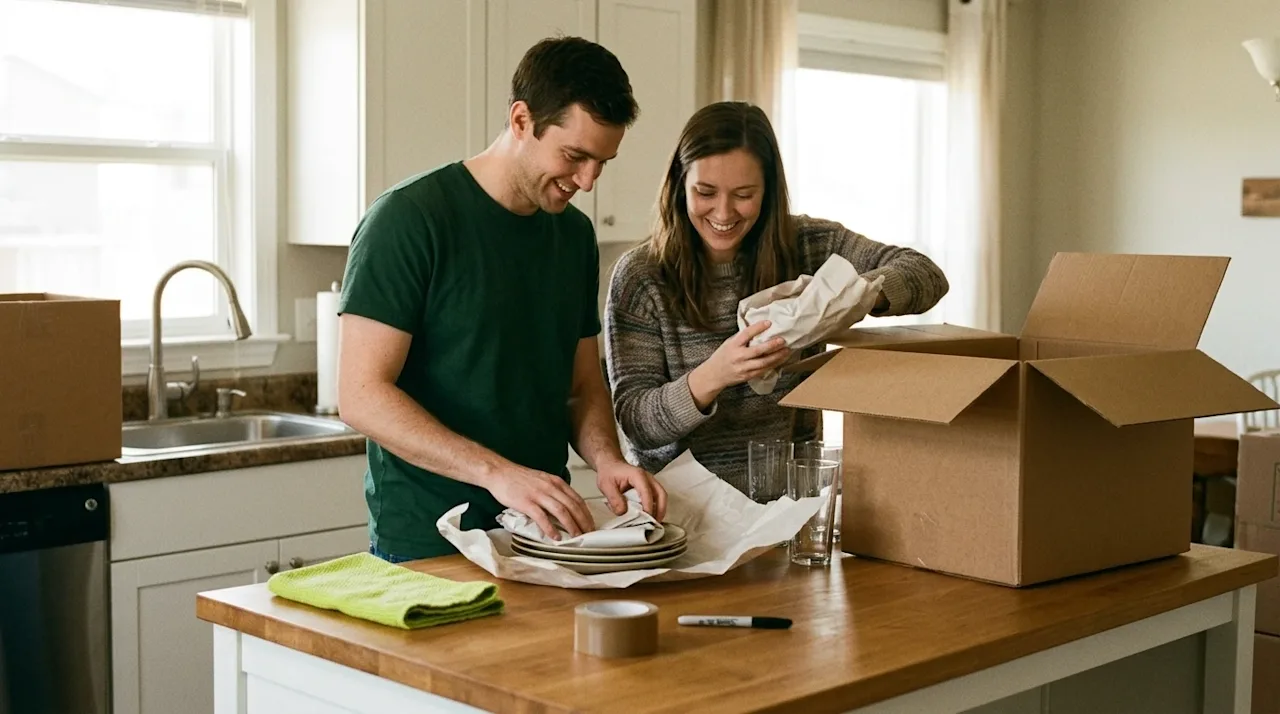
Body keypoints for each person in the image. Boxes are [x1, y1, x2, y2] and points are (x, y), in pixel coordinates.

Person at [337, 36, 667, 563]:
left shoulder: (574, 237)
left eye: (602, 162)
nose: (587, 180)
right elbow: (360, 395)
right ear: (520, 121)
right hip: (429, 543)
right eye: (574, 156)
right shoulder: (408, 220)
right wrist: (499, 475)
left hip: (546, 536)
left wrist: (606, 459)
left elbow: (581, 387)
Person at [604, 101, 950, 494]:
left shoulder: (808, 246)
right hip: (680, 515)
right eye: (705, 192)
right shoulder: (642, 277)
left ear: (768, 191)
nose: (723, 211)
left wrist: (841, 301)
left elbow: (925, 274)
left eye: (743, 194)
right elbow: (637, 422)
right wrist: (718, 373)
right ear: (680, 184)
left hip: (788, 511)